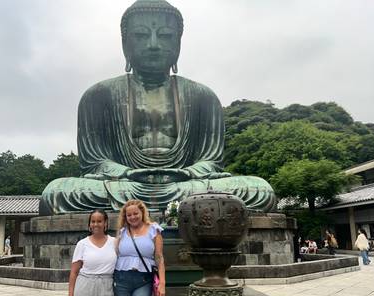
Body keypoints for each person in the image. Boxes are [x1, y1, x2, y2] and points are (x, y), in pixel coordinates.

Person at [39, 0, 276, 215]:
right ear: (125, 43)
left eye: (164, 35)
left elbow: (211, 161)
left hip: (187, 184)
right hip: (124, 184)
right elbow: (95, 162)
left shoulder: (203, 97)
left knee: (259, 190)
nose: (153, 44)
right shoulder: (99, 96)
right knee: (56, 194)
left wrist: (189, 173)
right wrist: (125, 173)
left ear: (178, 43)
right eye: (141, 35)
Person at [114, 199, 165, 296]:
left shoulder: (154, 230)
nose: (133, 217)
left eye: (136, 213)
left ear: (142, 212)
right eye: (129, 215)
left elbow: (159, 258)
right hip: (121, 278)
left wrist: (162, 283)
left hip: (143, 279)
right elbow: (113, 254)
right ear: (125, 217)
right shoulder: (122, 232)